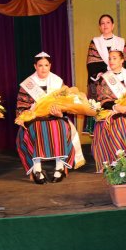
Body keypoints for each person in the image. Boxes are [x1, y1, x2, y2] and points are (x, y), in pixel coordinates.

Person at [16, 53, 76, 184]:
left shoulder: (57, 82)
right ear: (35, 66)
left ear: (50, 66)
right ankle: (37, 169)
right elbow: (21, 109)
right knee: (39, 128)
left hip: (55, 117)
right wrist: (30, 112)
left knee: (60, 127)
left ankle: (59, 168)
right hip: (35, 119)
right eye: (40, 65)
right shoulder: (27, 85)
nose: (43, 68)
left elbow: (66, 105)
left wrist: (61, 113)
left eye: (46, 65)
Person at [84, 14, 126, 134]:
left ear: (113, 25)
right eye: (102, 23)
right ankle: (100, 137)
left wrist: (118, 74)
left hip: (119, 82)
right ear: (100, 27)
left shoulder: (121, 42)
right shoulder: (95, 42)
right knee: (100, 112)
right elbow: (92, 63)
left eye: (108, 22)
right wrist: (105, 76)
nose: (105, 25)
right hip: (100, 81)